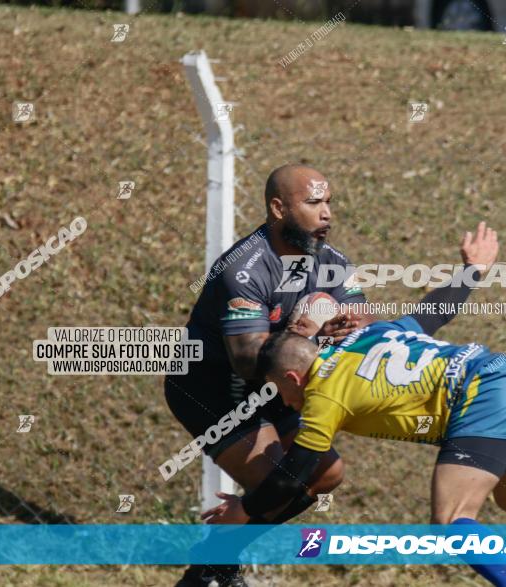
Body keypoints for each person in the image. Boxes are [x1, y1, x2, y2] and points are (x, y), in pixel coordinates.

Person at [201, 278, 506, 587]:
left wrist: (245, 509)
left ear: (292, 378)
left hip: (483, 395)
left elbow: (295, 471)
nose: (283, 403)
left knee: (450, 520)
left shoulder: (323, 393)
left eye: (278, 391)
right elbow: (432, 314)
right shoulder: (369, 335)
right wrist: (470, 272)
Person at [166, 164, 365, 586]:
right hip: (215, 389)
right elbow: (246, 360)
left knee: (327, 474)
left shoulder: (332, 262)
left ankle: (211, 565)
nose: (327, 213)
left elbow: (360, 323)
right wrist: (306, 331)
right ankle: (215, 566)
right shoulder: (245, 269)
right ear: (278, 208)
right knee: (282, 481)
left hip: (278, 388)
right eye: (314, 203)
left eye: (328, 202)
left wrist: (346, 325)